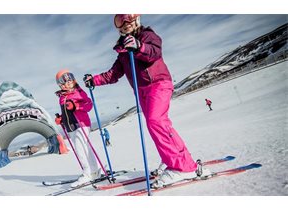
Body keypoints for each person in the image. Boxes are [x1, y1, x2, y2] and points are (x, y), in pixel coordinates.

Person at [83, 14, 210, 188]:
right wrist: (94, 80)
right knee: (159, 125)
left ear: (136, 19)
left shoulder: (148, 36)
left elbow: (154, 52)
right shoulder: (122, 52)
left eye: (128, 18)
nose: (125, 23)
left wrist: (138, 47)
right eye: (120, 21)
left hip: (158, 84)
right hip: (141, 91)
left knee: (156, 121)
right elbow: (113, 74)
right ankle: (175, 160)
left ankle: (182, 167)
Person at [54, 69, 101, 188]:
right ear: (60, 85)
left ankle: (87, 174)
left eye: (70, 79)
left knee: (80, 148)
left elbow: (89, 104)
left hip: (82, 124)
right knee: (86, 148)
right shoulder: (62, 97)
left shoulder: (78, 92)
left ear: (74, 80)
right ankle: (94, 171)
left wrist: (76, 106)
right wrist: (62, 119)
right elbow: (67, 113)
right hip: (71, 126)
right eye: (64, 81)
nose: (68, 82)